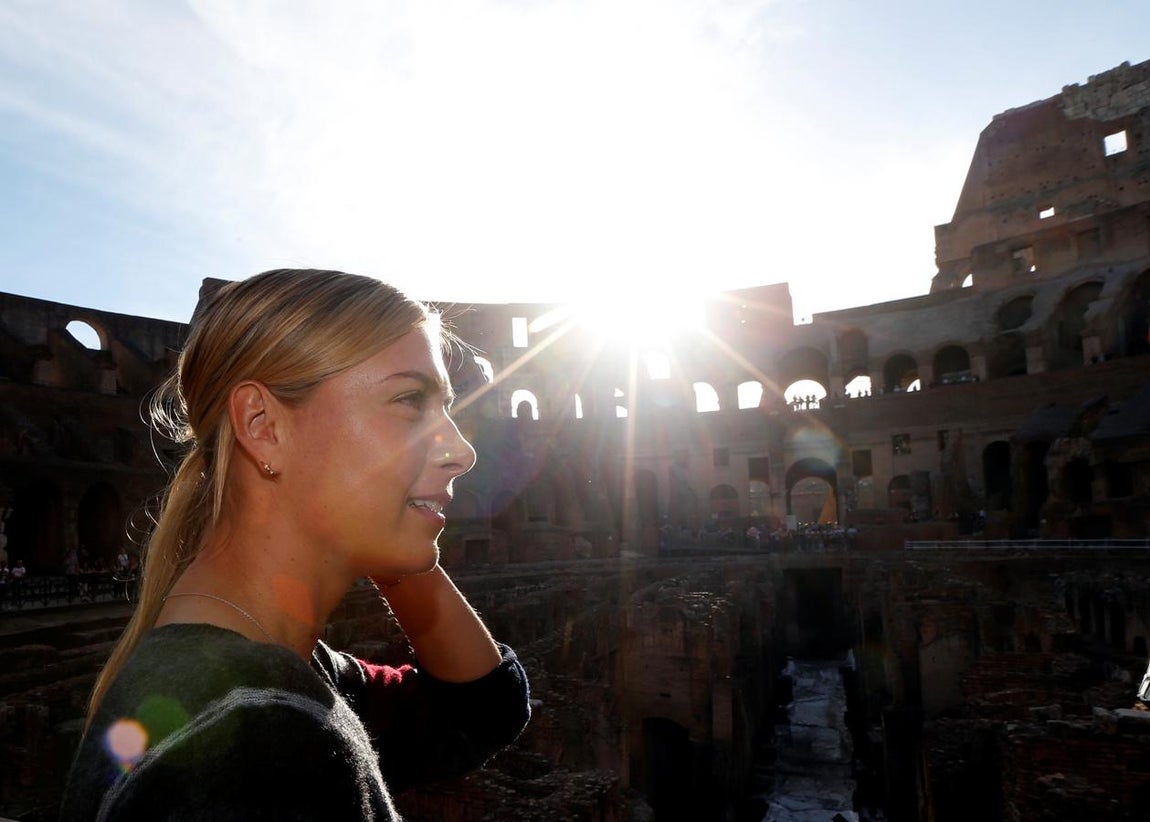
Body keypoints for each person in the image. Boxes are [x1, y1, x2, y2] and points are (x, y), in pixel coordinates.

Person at [61, 269, 531, 819]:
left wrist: (396, 529)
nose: (461, 450)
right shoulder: (259, 745)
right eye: (410, 400)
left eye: (446, 407)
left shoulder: (278, 675)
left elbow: (483, 710)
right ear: (262, 426)